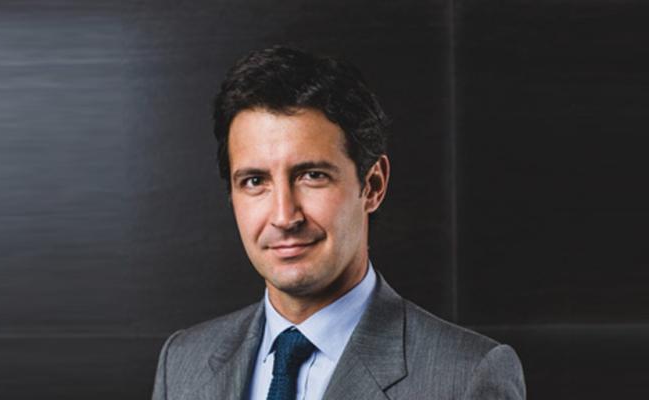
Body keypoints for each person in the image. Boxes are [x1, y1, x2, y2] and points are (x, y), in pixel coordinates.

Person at [151, 45, 525, 400]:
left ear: (373, 185)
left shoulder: (466, 377)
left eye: (312, 176)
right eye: (254, 181)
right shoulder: (183, 363)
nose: (284, 216)